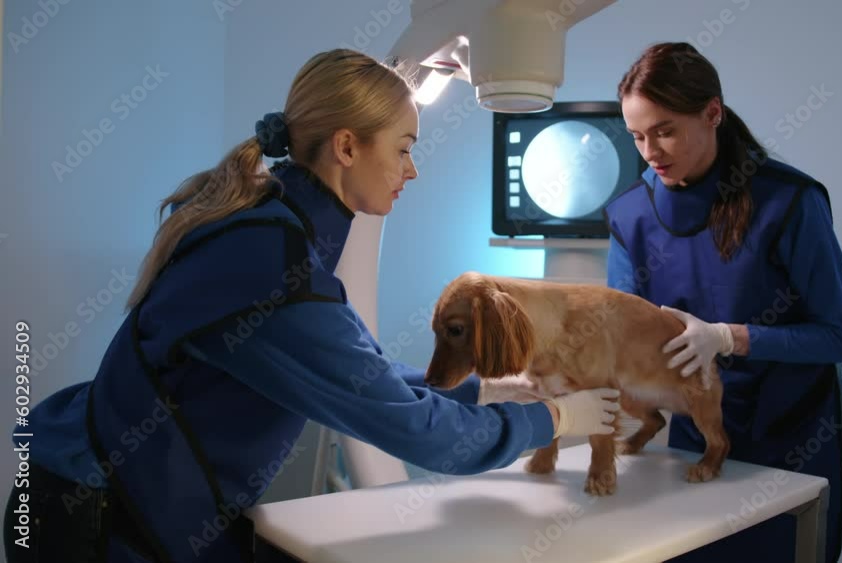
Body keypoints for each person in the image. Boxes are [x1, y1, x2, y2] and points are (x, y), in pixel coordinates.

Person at [3, 49, 622, 563]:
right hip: (91, 519)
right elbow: (422, 436)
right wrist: (556, 420)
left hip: (84, 484)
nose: (413, 170)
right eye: (404, 147)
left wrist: (485, 394)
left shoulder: (271, 229)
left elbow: (363, 372)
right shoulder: (277, 272)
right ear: (347, 146)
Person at [604, 42, 842, 563]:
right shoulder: (630, 214)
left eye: (665, 130)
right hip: (699, 424)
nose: (650, 151)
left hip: (792, 430)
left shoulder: (789, 200)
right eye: (637, 136)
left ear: (713, 113)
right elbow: (622, 332)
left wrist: (729, 337)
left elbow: (841, 336)